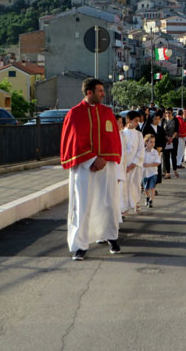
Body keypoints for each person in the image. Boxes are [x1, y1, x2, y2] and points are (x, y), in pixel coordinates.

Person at [61, 78, 122, 261]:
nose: (103, 94)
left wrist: (104, 159)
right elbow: (73, 141)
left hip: (106, 167)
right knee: (82, 206)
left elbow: (113, 138)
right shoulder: (74, 114)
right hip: (84, 168)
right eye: (100, 91)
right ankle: (80, 246)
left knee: (109, 203)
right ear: (89, 92)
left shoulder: (107, 112)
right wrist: (92, 159)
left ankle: (111, 237)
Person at [122, 110, 145, 214]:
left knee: (135, 184)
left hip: (135, 165)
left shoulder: (139, 134)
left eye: (138, 121)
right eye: (135, 121)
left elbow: (141, 150)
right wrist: (125, 164)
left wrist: (134, 163)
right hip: (124, 165)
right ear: (128, 120)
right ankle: (124, 208)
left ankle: (136, 202)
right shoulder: (122, 134)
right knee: (124, 186)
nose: (137, 123)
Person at [142, 134, 161, 208]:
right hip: (144, 173)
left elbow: (158, 162)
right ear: (146, 142)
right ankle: (147, 197)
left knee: (152, 187)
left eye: (154, 142)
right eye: (151, 142)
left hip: (153, 173)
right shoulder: (142, 151)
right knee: (146, 188)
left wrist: (149, 165)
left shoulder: (155, 152)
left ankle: (151, 200)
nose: (152, 144)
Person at [161, 107, 179, 178]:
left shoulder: (175, 120)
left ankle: (175, 170)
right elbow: (162, 130)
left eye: (169, 113)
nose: (167, 114)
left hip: (173, 139)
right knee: (166, 156)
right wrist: (166, 137)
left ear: (172, 113)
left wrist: (172, 138)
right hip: (165, 140)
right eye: (166, 113)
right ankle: (167, 172)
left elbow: (176, 130)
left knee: (173, 156)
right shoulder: (163, 120)